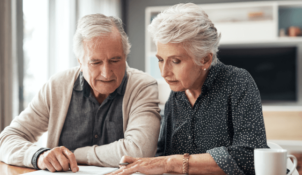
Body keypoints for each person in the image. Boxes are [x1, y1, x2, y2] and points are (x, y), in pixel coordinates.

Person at [110, 3, 268, 175]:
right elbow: (163, 153)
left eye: (175, 61)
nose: (164, 72)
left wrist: (170, 163)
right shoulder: (176, 95)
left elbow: (249, 156)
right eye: (161, 60)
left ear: (205, 60)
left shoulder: (237, 82)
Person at [0, 14, 161, 173]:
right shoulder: (57, 86)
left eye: (115, 60)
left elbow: (139, 150)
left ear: (125, 56)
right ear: (80, 62)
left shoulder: (143, 86)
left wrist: (75, 154)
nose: (106, 73)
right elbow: (6, 140)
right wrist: (39, 156)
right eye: (95, 62)